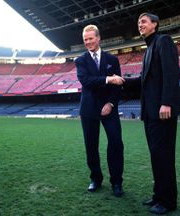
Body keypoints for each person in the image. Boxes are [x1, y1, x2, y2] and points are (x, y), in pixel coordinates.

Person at [110, 13, 180, 214]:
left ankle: (168, 201)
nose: (140, 25)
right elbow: (144, 80)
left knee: (164, 157)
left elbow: (171, 73)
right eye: (138, 22)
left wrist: (166, 102)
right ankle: (159, 195)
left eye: (143, 21)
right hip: (150, 113)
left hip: (162, 111)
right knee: (156, 156)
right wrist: (122, 80)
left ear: (155, 24)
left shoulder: (163, 41)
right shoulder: (149, 48)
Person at [75, 24, 125, 197]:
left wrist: (110, 104)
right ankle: (96, 178)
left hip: (108, 108)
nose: (88, 42)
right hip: (88, 109)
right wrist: (108, 79)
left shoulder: (112, 59)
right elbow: (86, 81)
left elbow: (118, 85)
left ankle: (117, 182)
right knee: (91, 146)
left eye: (90, 38)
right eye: (85, 40)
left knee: (116, 143)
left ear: (98, 38)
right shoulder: (80, 60)